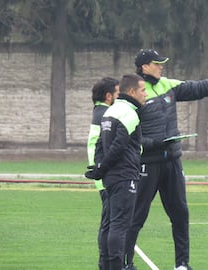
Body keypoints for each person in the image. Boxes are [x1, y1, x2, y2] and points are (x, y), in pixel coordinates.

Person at [124, 49, 208, 270]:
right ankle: (125, 263)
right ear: (144, 66)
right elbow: (129, 137)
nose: (161, 66)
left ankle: (182, 264)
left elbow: (199, 88)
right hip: (147, 164)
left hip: (172, 162)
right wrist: (155, 144)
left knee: (181, 214)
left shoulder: (167, 85)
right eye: (157, 63)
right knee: (137, 216)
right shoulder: (134, 92)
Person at [85, 74, 147, 270]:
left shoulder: (109, 112)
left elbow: (99, 145)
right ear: (132, 92)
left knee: (108, 225)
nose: (145, 94)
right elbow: (119, 146)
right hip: (124, 176)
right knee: (120, 226)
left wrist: (99, 168)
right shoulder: (129, 113)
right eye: (142, 90)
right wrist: (101, 167)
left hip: (111, 177)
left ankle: (105, 265)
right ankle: (116, 266)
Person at [87, 77, 120, 270]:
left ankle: (106, 263)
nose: (120, 97)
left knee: (107, 223)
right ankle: (106, 264)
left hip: (101, 175)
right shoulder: (107, 114)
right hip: (105, 177)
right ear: (109, 96)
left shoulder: (98, 112)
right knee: (108, 224)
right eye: (117, 93)